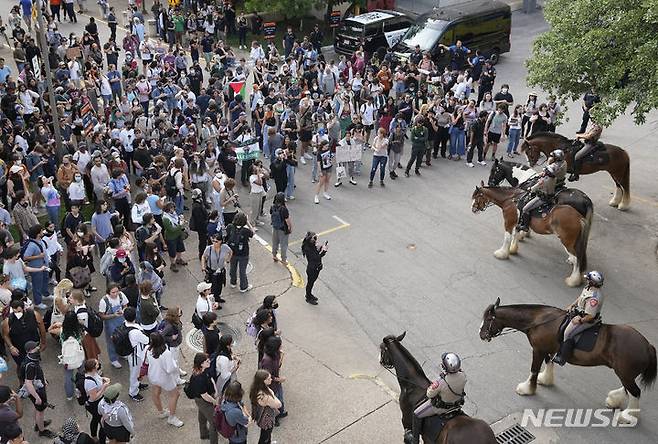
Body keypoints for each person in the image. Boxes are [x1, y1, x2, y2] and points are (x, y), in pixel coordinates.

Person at [409, 352, 467, 444]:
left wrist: (433, 386)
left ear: (444, 367)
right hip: (456, 404)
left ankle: (414, 440)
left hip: (441, 408)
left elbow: (429, 395)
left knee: (416, 414)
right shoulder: (463, 376)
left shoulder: (441, 383)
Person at [553, 271, 604, 365]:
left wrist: (579, 320)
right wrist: (572, 305)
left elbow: (590, 316)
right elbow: (581, 297)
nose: (587, 280)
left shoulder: (594, 298)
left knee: (567, 333)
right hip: (579, 311)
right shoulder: (588, 288)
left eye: (588, 279)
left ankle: (562, 357)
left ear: (592, 282)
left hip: (586, 319)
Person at [146, 332, 184, 427]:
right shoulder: (166, 353)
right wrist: (175, 364)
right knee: (175, 394)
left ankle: (161, 412)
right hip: (164, 378)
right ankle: (172, 417)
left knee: (156, 393)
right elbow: (170, 369)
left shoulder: (148, 349)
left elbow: (146, 362)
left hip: (153, 376)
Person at [21, 340, 56, 438]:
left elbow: (38, 371)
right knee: (40, 411)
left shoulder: (31, 359)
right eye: (34, 348)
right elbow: (28, 383)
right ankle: (42, 431)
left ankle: (38, 424)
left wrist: (44, 379)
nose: (37, 348)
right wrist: (37, 397)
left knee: (38, 409)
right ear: (28, 351)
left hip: (38, 387)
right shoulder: (30, 365)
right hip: (37, 391)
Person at [46, 311, 84, 401]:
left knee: (68, 376)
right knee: (82, 373)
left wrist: (58, 324)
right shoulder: (79, 330)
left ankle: (69, 395)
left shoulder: (61, 331)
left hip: (67, 357)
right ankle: (83, 390)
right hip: (78, 355)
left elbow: (49, 330)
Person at [516, 163, 559, 233]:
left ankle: (525, 226)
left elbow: (534, 188)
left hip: (542, 198)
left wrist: (531, 187)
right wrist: (543, 176)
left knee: (525, 209)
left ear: (548, 173)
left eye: (546, 171)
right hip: (551, 196)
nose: (545, 171)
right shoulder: (554, 178)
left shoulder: (544, 181)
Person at [188, 353, 218, 444]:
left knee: (202, 416)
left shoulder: (203, 369)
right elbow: (204, 395)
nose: (209, 361)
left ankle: (204, 433)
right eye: (207, 361)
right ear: (201, 364)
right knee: (214, 423)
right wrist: (215, 401)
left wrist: (215, 390)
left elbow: (211, 378)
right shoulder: (199, 379)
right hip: (204, 400)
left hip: (203, 399)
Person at [259, 336, 287, 427]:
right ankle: (275, 418)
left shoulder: (276, 354)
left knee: (280, 400)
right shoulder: (266, 361)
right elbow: (268, 377)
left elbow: (278, 366)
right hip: (271, 385)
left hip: (277, 383)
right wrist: (279, 379)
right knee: (273, 402)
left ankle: (280, 413)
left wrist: (282, 356)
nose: (281, 346)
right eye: (280, 345)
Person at [98, 283, 129, 369]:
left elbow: (125, 305)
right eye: (113, 292)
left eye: (117, 291)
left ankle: (122, 353)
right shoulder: (104, 301)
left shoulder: (121, 295)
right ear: (108, 292)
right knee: (112, 341)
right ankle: (113, 359)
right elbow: (102, 316)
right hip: (110, 324)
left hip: (121, 321)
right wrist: (114, 315)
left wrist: (123, 310)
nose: (115, 294)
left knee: (123, 338)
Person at [249, 369, 282, 444]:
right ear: (263, 381)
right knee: (265, 436)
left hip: (260, 415)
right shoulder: (264, 396)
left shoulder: (255, 388)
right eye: (268, 379)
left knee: (266, 435)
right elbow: (279, 404)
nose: (271, 379)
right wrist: (271, 393)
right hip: (267, 420)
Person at [81, 358, 110, 444]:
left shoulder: (92, 373)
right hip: (94, 404)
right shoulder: (90, 383)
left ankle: (93, 436)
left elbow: (97, 377)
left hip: (96, 403)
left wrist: (103, 379)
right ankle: (102, 441)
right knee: (103, 424)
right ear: (93, 368)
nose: (99, 364)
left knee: (95, 419)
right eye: (97, 364)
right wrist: (104, 387)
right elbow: (94, 397)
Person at [226, 212, 254, 293]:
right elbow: (253, 233)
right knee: (242, 270)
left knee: (233, 268)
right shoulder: (245, 231)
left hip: (232, 252)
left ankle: (233, 282)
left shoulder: (230, 227)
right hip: (243, 253)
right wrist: (248, 224)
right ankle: (243, 286)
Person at [571, 114, 603, 181]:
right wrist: (580, 135)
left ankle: (576, 175)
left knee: (577, 156)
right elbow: (587, 133)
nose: (591, 119)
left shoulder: (598, 127)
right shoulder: (594, 125)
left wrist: (580, 136)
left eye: (592, 117)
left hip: (591, 144)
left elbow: (589, 136)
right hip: (586, 141)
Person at [201, 234, 231, 304]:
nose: (214, 243)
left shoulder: (225, 247)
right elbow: (203, 256)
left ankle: (217, 297)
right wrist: (203, 266)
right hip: (211, 271)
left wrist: (228, 260)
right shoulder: (209, 248)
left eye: (216, 241)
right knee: (212, 288)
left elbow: (230, 252)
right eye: (213, 241)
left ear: (221, 241)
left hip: (221, 270)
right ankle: (213, 302)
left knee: (219, 285)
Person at [301, 232, 327, 305]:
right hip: (312, 269)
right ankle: (308, 297)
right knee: (310, 283)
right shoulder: (307, 248)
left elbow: (315, 254)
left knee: (311, 283)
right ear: (309, 239)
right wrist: (324, 251)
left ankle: (309, 294)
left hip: (316, 268)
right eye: (314, 238)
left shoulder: (312, 245)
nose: (316, 240)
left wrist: (319, 248)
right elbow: (315, 258)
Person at [270, 192, 291, 265]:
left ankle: (274, 255)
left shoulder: (272, 207)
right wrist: (290, 228)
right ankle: (284, 260)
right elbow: (287, 221)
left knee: (275, 242)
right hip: (283, 229)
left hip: (275, 227)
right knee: (283, 245)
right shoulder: (284, 209)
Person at [190, 188, 210, 260]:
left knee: (204, 241)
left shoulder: (199, 203)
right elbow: (199, 219)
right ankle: (202, 255)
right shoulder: (196, 206)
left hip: (203, 225)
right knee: (202, 241)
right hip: (201, 227)